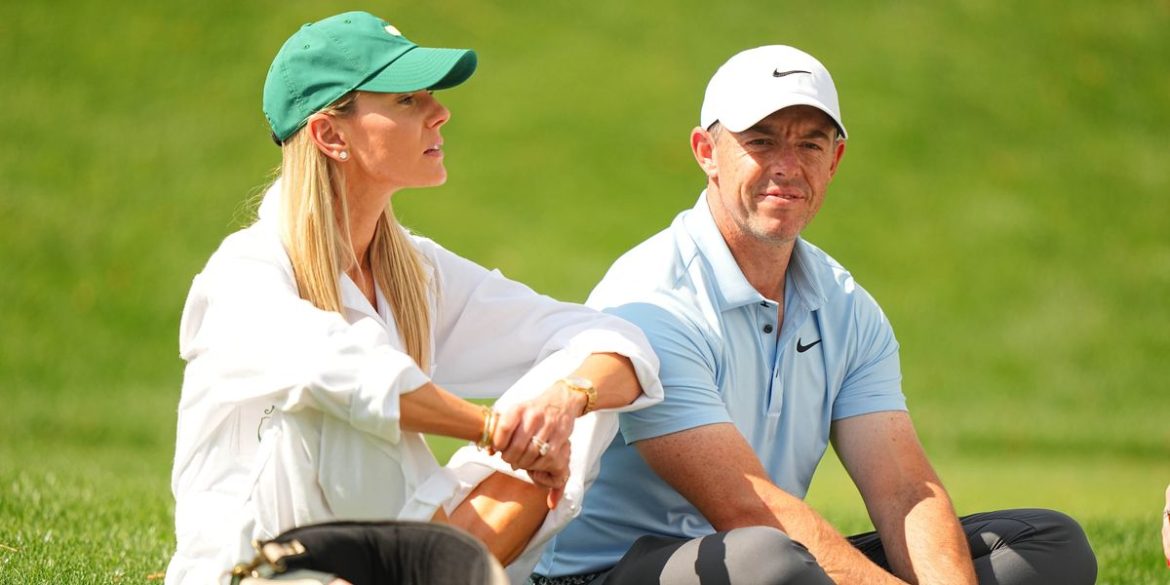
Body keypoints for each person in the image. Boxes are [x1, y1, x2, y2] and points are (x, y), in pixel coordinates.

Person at [529, 45, 1097, 584]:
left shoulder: (845, 304)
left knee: (1047, 544)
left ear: (835, 160)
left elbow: (904, 490)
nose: (787, 166)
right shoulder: (653, 302)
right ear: (706, 152)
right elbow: (745, 505)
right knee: (767, 560)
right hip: (601, 574)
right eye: (761, 141)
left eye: (810, 145)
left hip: (768, 555)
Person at [165, 11, 663, 585]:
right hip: (258, 572)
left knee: (574, 396)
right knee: (334, 409)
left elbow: (616, 340)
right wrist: (494, 429)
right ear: (331, 135)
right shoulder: (242, 272)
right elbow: (344, 374)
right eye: (407, 100)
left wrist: (565, 401)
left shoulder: (415, 270)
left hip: (386, 557)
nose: (439, 112)